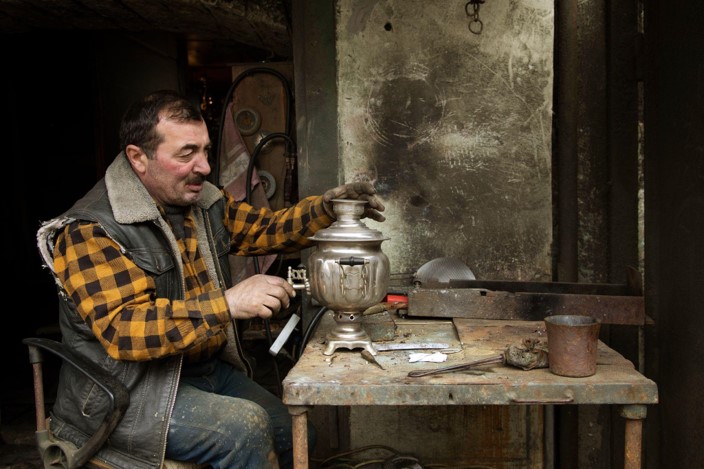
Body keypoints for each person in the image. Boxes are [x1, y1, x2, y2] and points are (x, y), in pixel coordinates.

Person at [36, 89, 385, 469]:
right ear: (138, 158)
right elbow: (126, 329)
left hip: (197, 369)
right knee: (245, 432)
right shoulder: (91, 230)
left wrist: (329, 208)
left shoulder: (199, 202)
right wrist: (228, 303)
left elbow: (267, 229)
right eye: (187, 154)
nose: (204, 166)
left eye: (205, 151)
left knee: (297, 432)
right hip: (125, 391)